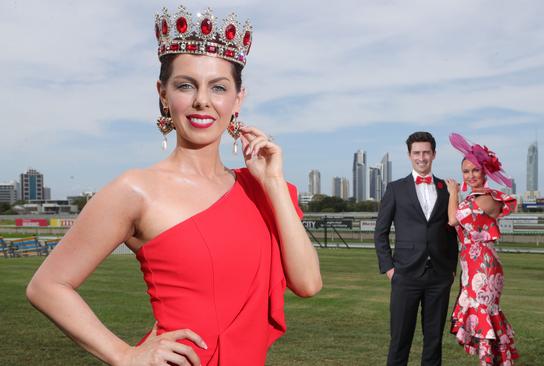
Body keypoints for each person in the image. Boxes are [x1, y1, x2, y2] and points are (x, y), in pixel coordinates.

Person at [26, 6, 322, 366]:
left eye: (218, 87)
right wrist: (123, 354)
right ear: (163, 94)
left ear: (237, 99)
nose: (202, 100)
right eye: (185, 85)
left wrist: (273, 183)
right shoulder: (135, 189)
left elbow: (308, 283)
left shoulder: (262, 189)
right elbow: (46, 286)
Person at [374, 131, 459, 366]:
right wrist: (389, 269)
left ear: (434, 154)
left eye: (426, 152)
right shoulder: (395, 189)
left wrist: (451, 269)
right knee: (400, 339)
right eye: (417, 153)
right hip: (405, 275)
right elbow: (380, 233)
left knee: (434, 341)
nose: (422, 157)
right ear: (409, 155)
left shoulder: (447, 189)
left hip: (439, 276)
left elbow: (452, 232)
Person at [445, 133, 519, 366]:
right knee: (481, 314)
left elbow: (452, 220)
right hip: (472, 263)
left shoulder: (482, 198)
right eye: (466, 171)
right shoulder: (474, 198)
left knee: (483, 314)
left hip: (484, 265)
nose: (470, 175)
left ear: (485, 172)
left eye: (475, 170)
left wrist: (453, 192)